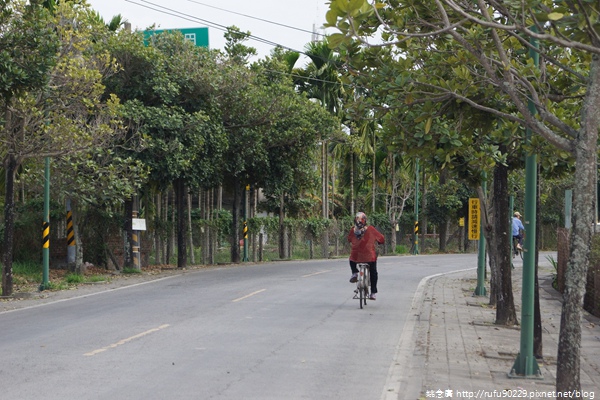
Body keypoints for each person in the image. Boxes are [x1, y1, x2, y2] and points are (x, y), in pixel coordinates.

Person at [347, 212, 385, 300]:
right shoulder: (371, 229)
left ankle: (355, 272)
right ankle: (373, 293)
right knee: (373, 272)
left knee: (351, 259)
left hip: (356, 257)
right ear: (365, 220)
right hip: (369, 257)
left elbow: (349, 239)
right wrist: (379, 242)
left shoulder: (353, 230)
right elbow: (382, 239)